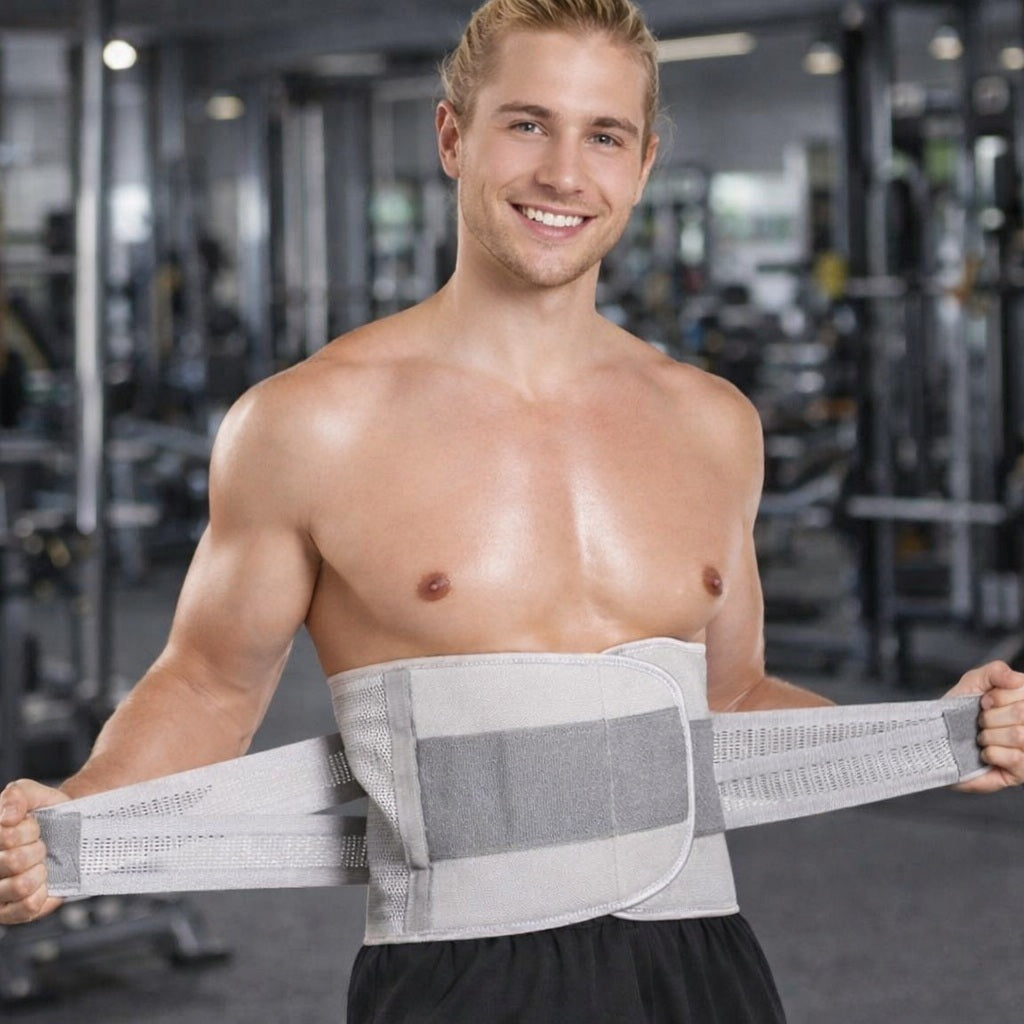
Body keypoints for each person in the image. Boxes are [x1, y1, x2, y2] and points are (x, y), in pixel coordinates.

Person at [3, 1, 1024, 1020]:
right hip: (458, 981)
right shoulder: (308, 422)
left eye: (604, 136)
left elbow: (732, 699)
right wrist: (77, 815)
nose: (564, 174)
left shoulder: (713, 423)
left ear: (643, 164)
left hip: (703, 968)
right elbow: (209, 685)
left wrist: (938, 740)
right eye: (528, 124)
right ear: (453, 137)